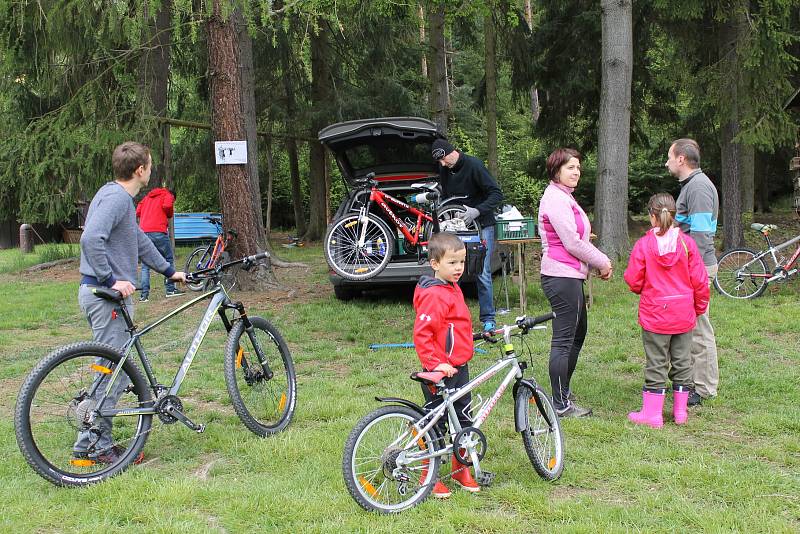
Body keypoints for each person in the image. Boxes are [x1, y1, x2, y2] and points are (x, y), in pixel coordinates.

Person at [74, 141, 186, 463]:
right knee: (114, 373)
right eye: (150, 165)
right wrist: (111, 280)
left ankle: (94, 439)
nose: (151, 170)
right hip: (105, 296)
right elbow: (90, 238)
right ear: (141, 170)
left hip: (103, 296)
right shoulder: (117, 198)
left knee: (111, 368)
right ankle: (94, 446)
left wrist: (169, 271)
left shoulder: (115, 197)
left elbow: (138, 241)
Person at [623, 193, 709, 428]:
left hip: (655, 314)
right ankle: (680, 413)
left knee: (656, 362)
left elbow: (633, 280)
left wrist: (644, 288)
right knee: (683, 362)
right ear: (675, 215)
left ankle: (652, 414)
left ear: (652, 217)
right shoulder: (686, 243)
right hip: (683, 313)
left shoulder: (644, 245)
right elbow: (700, 281)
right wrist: (699, 307)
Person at [538, 148, 612, 418]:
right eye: (571, 167)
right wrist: (602, 261)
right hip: (560, 277)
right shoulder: (555, 199)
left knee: (577, 335)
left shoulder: (564, 197)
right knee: (563, 340)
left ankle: (563, 392)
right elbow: (572, 242)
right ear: (556, 170)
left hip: (571, 277)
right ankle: (559, 404)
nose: (576, 172)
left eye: (578, 168)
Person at [413, 231, 481, 499]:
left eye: (461, 262)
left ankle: (460, 468)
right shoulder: (434, 295)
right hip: (440, 372)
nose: (458, 268)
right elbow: (423, 334)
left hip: (459, 366)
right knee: (436, 422)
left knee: (464, 418)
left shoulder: (452, 287)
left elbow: (454, 326)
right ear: (434, 264)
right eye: (452, 263)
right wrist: (437, 364)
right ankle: (427, 475)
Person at [665, 138, 719, 406]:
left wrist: (689, 271)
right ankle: (692, 382)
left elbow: (700, 237)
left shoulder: (697, 187)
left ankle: (705, 388)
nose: (667, 162)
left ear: (681, 159)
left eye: (669, 157)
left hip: (695, 267)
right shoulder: (691, 186)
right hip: (689, 267)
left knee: (699, 328)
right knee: (691, 327)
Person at [432, 138, 503, 332]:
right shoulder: (444, 170)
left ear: (452, 151)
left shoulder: (474, 165)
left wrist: (477, 211)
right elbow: (447, 196)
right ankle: (454, 318)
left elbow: (496, 194)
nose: (443, 164)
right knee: (453, 271)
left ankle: (488, 319)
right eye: (440, 162)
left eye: (444, 159)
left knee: (482, 272)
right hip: (458, 227)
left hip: (482, 226)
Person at [137, 186, 184, 301]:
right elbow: (167, 206)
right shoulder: (167, 195)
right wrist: (168, 214)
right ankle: (170, 289)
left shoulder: (147, 197)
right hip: (158, 231)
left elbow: (138, 211)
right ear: (173, 196)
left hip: (143, 232)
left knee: (145, 265)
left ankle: (144, 296)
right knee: (168, 259)